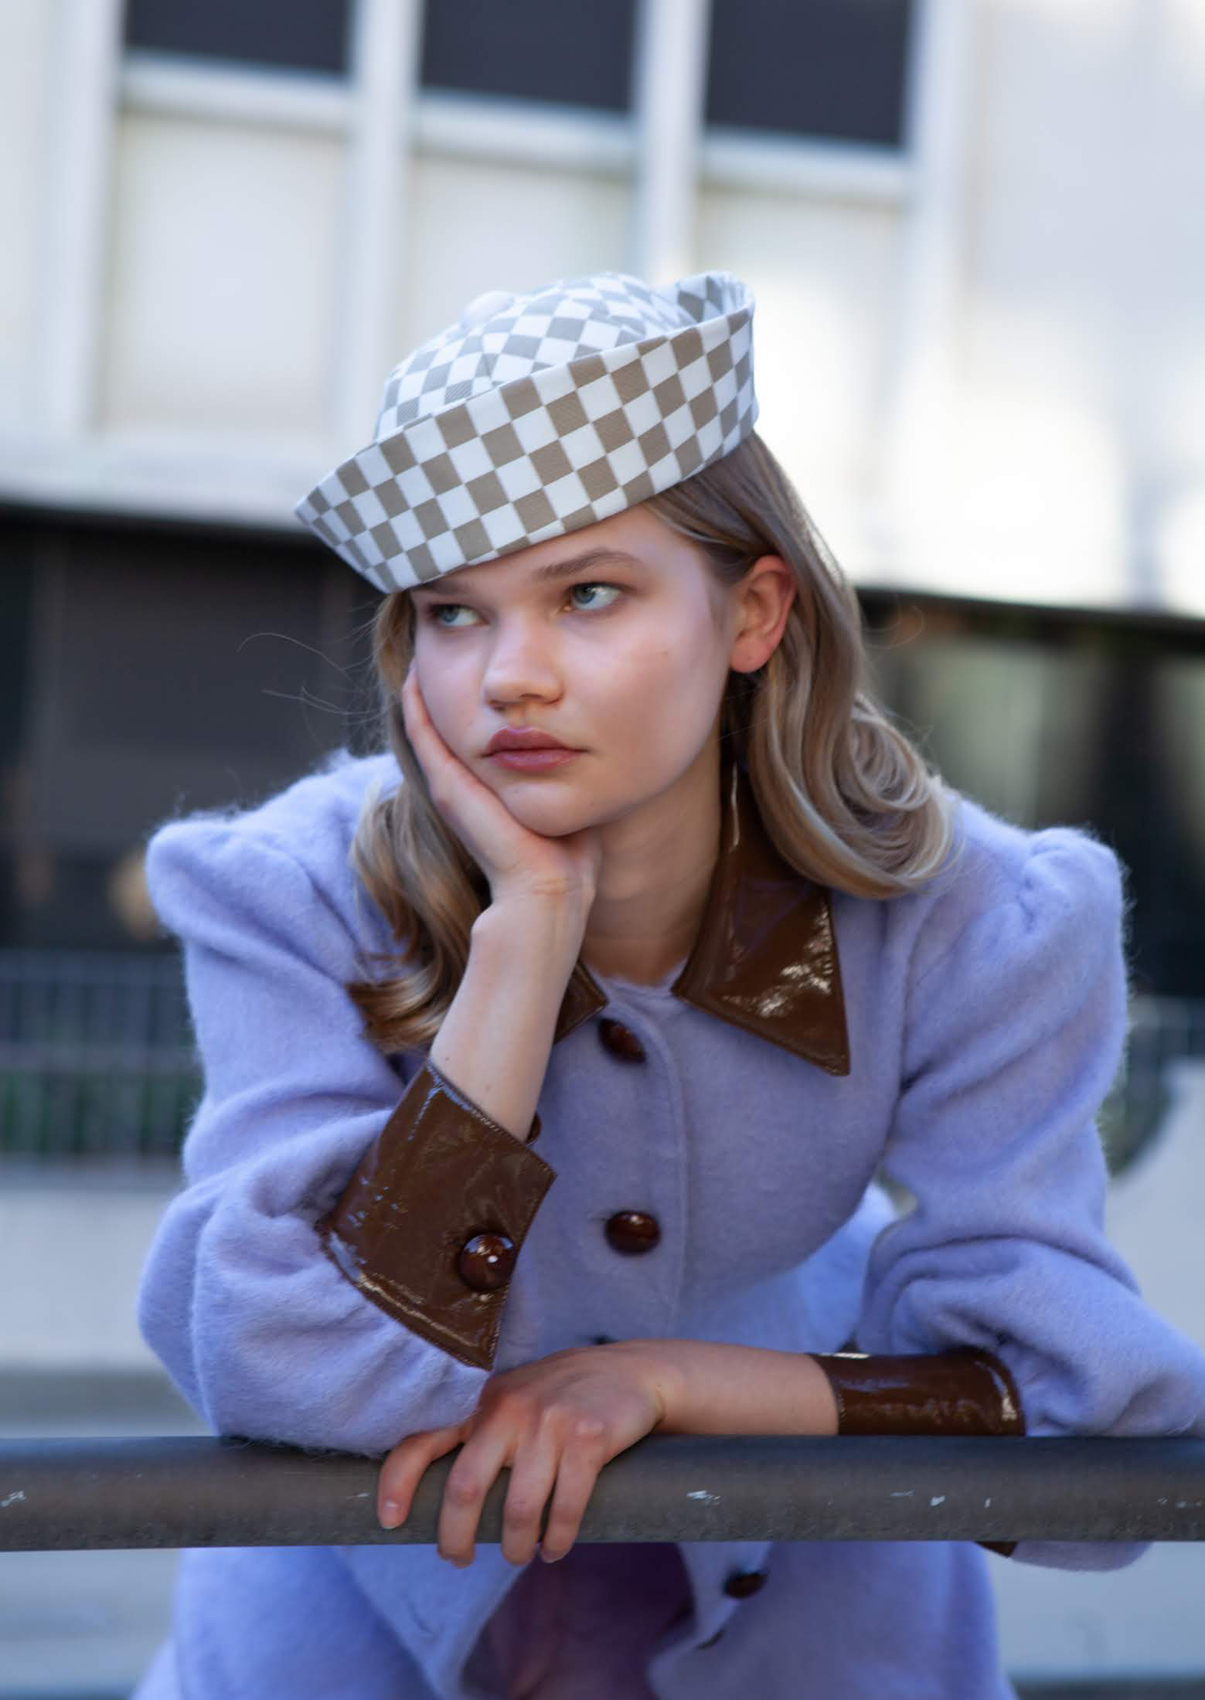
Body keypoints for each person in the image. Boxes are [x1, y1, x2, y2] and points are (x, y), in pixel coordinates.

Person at [130, 271, 1205, 1700]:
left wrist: (673, 1380)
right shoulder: (291, 890)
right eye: (454, 613)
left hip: (818, 1612)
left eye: (587, 593)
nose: (510, 676)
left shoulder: (975, 921)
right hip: (347, 1622)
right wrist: (526, 939)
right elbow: (283, 1368)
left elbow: (1079, 1412)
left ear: (752, 612)